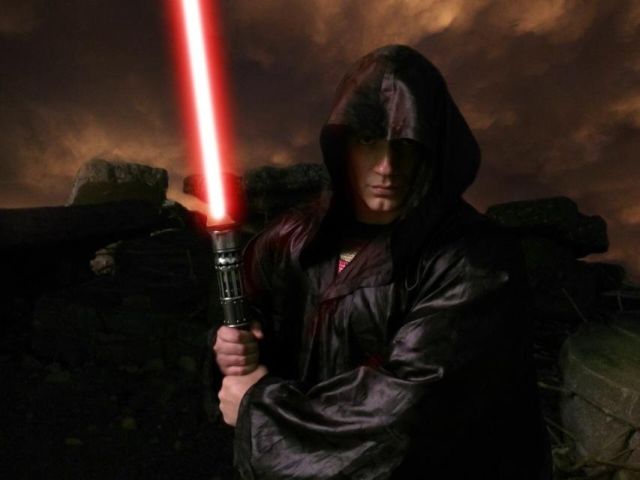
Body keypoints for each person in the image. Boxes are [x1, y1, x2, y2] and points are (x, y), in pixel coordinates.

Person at [213, 45, 552, 479]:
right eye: (369, 141)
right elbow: (249, 310)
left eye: (405, 145)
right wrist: (239, 340)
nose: (387, 166)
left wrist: (259, 410)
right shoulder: (294, 236)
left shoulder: (476, 260)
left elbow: (413, 409)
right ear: (342, 145)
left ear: (431, 150)